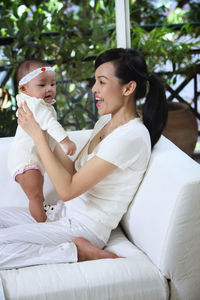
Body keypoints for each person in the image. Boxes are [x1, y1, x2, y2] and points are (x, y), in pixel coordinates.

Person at [0, 48, 167, 269]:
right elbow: (71, 170)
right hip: (63, 212)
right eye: (95, 81)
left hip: (85, 227)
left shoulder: (130, 137)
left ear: (128, 87)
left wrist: (38, 137)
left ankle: (77, 251)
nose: (94, 89)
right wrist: (47, 129)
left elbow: (68, 190)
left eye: (102, 82)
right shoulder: (106, 122)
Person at [7, 60, 76, 222]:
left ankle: (42, 216)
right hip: (26, 160)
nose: (49, 89)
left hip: (28, 160)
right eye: (42, 85)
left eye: (53, 84)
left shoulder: (38, 104)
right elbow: (50, 123)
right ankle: (43, 225)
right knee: (36, 197)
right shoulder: (35, 104)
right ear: (24, 89)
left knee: (38, 197)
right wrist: (65, 141)